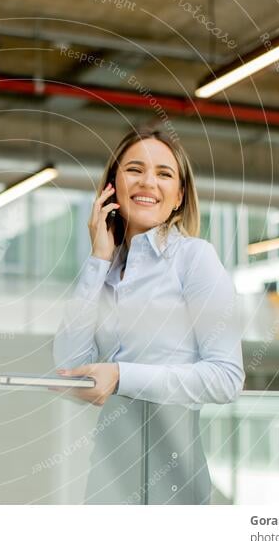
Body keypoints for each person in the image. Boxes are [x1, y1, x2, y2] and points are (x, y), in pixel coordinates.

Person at [53, 128, 244, 504]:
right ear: (112, 187)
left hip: (172, 470)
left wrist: (122, 375)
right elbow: (68, 365)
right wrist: (97, 259)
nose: (148, 182)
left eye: (164, 174)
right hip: (108, 470)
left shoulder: (195, 259)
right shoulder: (104, 268)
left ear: (179, 197)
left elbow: (227, 378)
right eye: (134, 170)